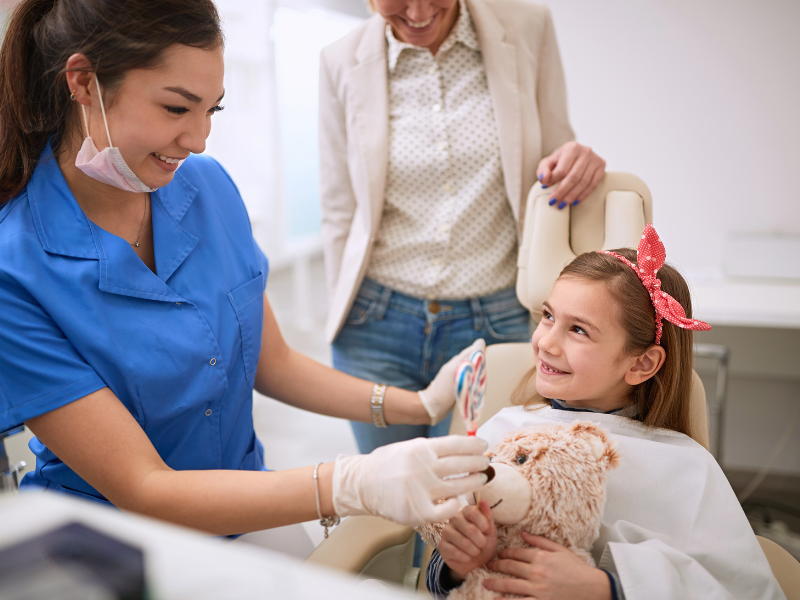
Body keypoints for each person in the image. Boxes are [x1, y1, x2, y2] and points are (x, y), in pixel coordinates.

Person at [0, 0, 490, 537]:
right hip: (111, 549)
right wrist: (346, 483)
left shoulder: (205, 187)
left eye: (213, 110)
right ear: (84, 83)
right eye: (176, 108)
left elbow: (272, 362)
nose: (198, 139)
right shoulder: (14, 269)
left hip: (246, 505)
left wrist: (417, 404)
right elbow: (144, 487)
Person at [425, 226, 785, 599]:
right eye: (548, 316)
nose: (545, 341)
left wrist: (606, 587)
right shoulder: (504, 430)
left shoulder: (686, 469)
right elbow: (440, 572)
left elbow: (745, 589)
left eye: (578, 329)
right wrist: (456, 564)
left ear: (642, 363)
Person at [319, 0, 607, 455]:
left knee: (475, 498)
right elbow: (339, 205)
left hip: (496, 318)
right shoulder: (340, 59)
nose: (417, 12)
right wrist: (340, 311)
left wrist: (577, 161)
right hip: (375, 325)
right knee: (391, 505)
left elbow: (556, 161)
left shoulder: (528, 26)